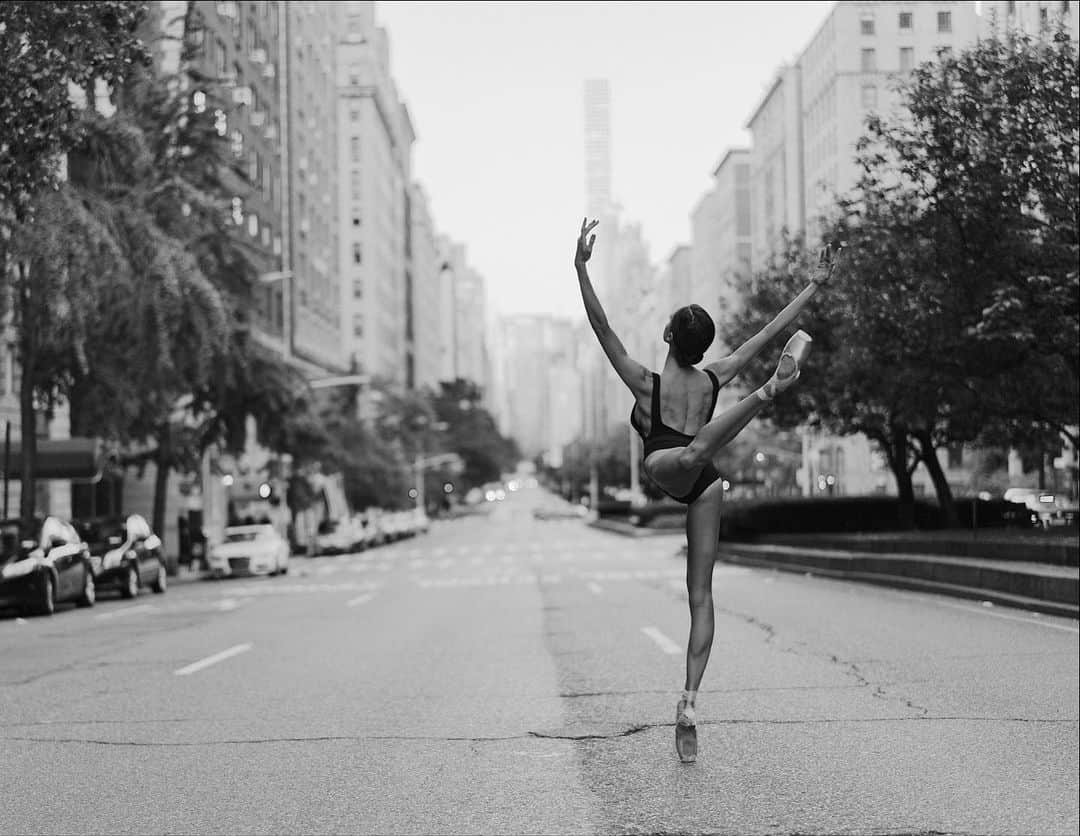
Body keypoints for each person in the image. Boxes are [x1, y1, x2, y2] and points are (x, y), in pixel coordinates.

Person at [573, 217, 838, 763]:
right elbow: (767, 334)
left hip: (678, 474)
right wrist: (812, 286)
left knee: (702, 594)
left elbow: (602, 328)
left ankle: (689, 704)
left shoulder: (646, 383)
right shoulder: (716, 375)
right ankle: (768, 392)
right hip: (692, 467)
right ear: (703, 344)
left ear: (669, 336)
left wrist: (580, 266)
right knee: (698, 455)